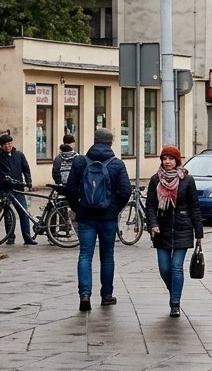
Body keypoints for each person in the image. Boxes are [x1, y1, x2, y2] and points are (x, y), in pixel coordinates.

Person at [66, 128, 132, 311]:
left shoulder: (80, 162)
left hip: (85, 216)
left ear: (94, 140)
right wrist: (114, 208)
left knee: (85, 255)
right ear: (110, 143)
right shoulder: (117, 164)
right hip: (108, 218)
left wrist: (77, 207)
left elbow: (70, 189)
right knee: (107, 256)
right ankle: (107, 295)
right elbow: (126, 191)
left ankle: (84, 295)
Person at [145, 144, 202, 318]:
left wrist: (199, 233)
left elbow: (194, 206)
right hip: (161, 230)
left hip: (182, 227)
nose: (167, 162)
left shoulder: (187, 180)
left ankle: (175, 303)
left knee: (176, 267)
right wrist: (152, 224)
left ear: (177, 161)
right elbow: (150, 206)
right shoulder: (155, 179)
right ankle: (174, 291)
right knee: (164, 269)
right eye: (165, 159)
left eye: (171, 159)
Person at [0, 133, 36, 244]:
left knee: (23, 212)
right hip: (5, 189)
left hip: (18, 188)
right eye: (5, 144)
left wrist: (29, 182)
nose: (8, 146)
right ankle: (10, 237)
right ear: (1, 146)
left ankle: (27, 237)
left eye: (9, 143)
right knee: (7, 214)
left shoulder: (19, 155)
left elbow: (26, 169)